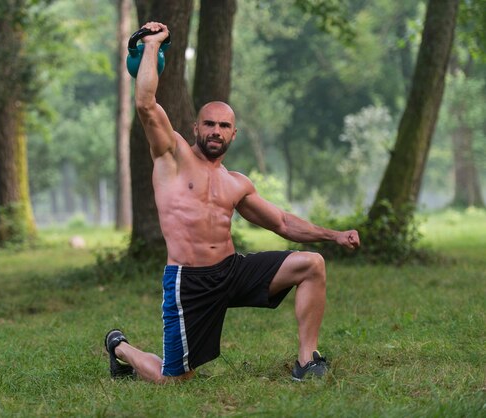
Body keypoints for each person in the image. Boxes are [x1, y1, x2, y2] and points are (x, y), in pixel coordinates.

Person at [105, 21, 361, 383]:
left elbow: (283, 224)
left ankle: (308, 360)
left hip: (230, 271)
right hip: (189, 280)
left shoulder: (236, 183)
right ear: (196, 128)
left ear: (233, 134)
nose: (215, 131)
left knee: (311, 265)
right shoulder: (172, 155)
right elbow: (146, 104)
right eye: (208, 124)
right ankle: (121, 347)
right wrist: (151, 45)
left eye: (224, 126)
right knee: (174, 380)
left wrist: (333, 235)